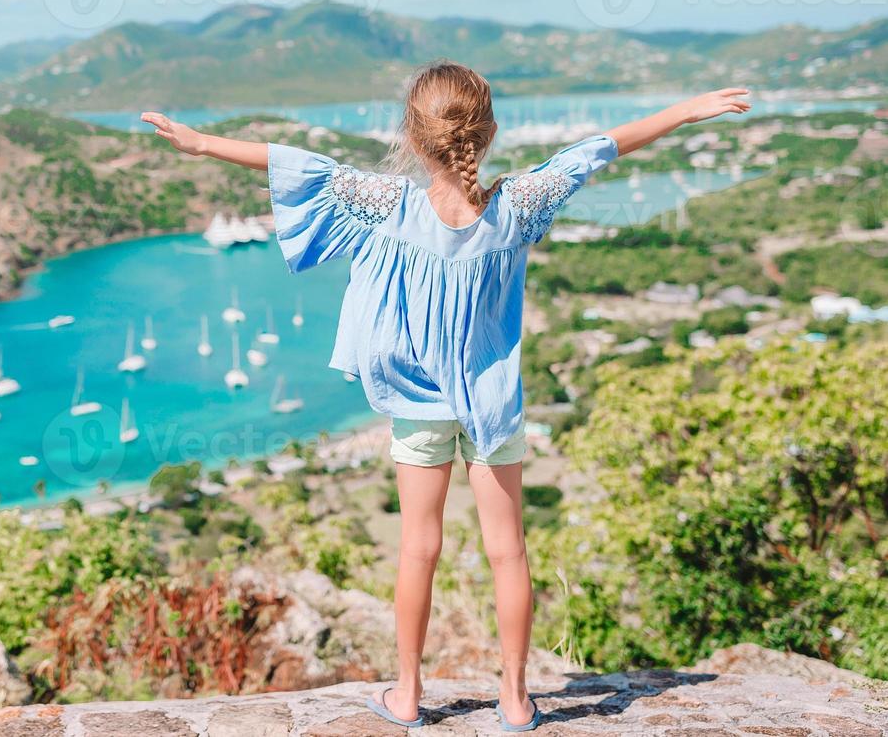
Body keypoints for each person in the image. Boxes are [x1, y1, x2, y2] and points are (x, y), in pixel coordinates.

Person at [142, 62, 750, 731]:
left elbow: (300, 166)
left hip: (419, 403)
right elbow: (598, 149)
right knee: (508, 551)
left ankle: (407, 696)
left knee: (417, 549)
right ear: (487, 135)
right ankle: (516, 700)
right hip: (492, 405)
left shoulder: (389, 204)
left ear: (413, 135)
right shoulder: (519, 204)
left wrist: (202, 144)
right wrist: (687, 110)